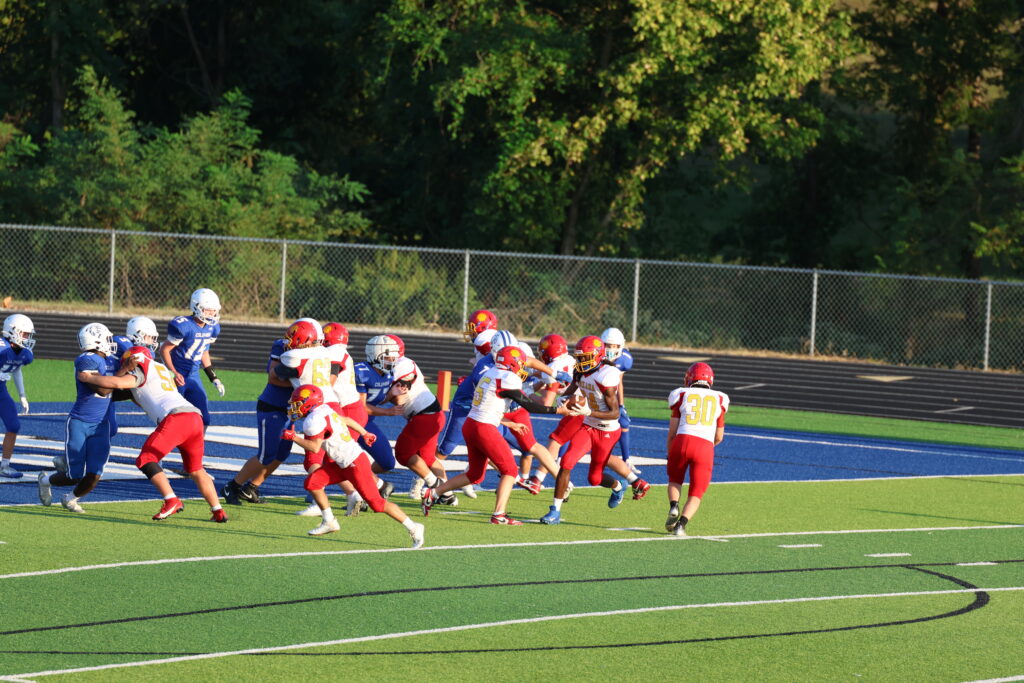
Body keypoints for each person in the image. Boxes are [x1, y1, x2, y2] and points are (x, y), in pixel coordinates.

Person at [422, 345, 570, 525]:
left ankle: (434, 493)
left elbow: (489, 405)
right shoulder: (508, 378)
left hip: (471, 424)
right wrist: (558, 410)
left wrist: (508, 422)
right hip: (484, 428)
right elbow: (530, 405)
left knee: (475, 474)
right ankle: (499, 514)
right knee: (510, 470)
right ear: (513, 364)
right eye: (520, 363)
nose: (522, 367)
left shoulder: (490, 373)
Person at [283, 384, 425, 548]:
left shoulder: (313, 420)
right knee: (312, 483)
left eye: (298, 404)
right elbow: (347, 420)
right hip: (343, 463)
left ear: (309, 403)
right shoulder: (325, 409)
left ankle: (414, 527)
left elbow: (314, 448)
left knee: (377, 504)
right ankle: (329, 521)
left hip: (355, 463)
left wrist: (293, 437)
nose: (295, 408)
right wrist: (365, 433)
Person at [101, 345, 228, 522]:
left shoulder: (140, 368)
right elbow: (144, 398)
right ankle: (218, 511)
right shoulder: (160, 368)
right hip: (194, 417)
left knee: (146, 459)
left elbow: (117, 383)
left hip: (176, 419)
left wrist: (91, 378)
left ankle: (171, 500)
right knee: (196, 469)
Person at [540, 335, 650, 525]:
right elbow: (573, 388)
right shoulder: (580, 371)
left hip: (607, 430)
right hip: (588, 425)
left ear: (597, 356)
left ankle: (618, 486)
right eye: (579, 357)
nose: (581, 361)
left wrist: (589, 411)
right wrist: (563, 398)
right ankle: (554, 511)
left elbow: (615, 413)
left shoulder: (607, 375)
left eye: (585, 357)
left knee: (594, 478)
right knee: (566, 462)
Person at [36, 323, 117, 512]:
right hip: (80, 422)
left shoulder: (109, 359)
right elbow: (103, 390)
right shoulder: (87, 359)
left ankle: (70, 499)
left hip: (101, 424)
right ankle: (45, 480)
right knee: (74, 476)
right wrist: (123, 374)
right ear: (96, 341)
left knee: (95, 474)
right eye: (106, 338)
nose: (109, 342)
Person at [220, 331, 292, 506]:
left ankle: (250, 488)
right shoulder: (283, 348)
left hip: (291, 409)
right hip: (273, 407)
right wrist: (300, 383)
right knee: (266, 455)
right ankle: (232, 486)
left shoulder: (316, 352)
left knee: (282, 452)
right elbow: (273, 378)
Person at [665, 362, 729, 536]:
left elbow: (672, 431)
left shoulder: (681, 394)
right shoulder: (720, 398)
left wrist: (671, 450)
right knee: (696, 492)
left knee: (675, 480)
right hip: (705, 446)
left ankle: (674, 506)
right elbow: (719, 436)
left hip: (682, 440)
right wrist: (705, 448)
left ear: (689, 378)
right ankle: (681, 525)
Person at [517, 332, 574, 492]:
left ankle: (540, 480)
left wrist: (525, 395)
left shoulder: (554, 367)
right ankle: (540, 478)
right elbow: (544, 379)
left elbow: (546, 402)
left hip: (579, 408)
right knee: (559, 441)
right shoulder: (567, 360)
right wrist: (531, 382)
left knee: (556, 441)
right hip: (579, 404)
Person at [159, 288, 224, 427]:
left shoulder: (213, 328)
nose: (212, 313)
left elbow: (204, 352)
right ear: (196, 307)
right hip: (177, 375)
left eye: (214, 310)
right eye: (208, 310)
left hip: (194, 375)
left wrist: (213, 377)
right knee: (171, 418)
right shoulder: (183, 326)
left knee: (204, 418)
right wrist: (173, 373)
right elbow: (164, 349)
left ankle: (198, 442)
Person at [0, 314, 34, 478]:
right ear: (12, 331)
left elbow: (16, 369)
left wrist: (22, 395)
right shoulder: (2, 347)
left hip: (1, 389)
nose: (27, 338)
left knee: (13, 425)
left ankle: (5, 465)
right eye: (25, 334)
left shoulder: (24, 353)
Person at [601, 327, 637, 473]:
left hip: (609, 395)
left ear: (620, 346)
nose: (610, 349)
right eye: (607, 345)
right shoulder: (596, 356)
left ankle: (626, 459)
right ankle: (560, 457)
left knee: (624, 422)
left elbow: (619, 382)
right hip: (593, 394)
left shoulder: (624, 360)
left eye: (614, 346)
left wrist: (621, 405)